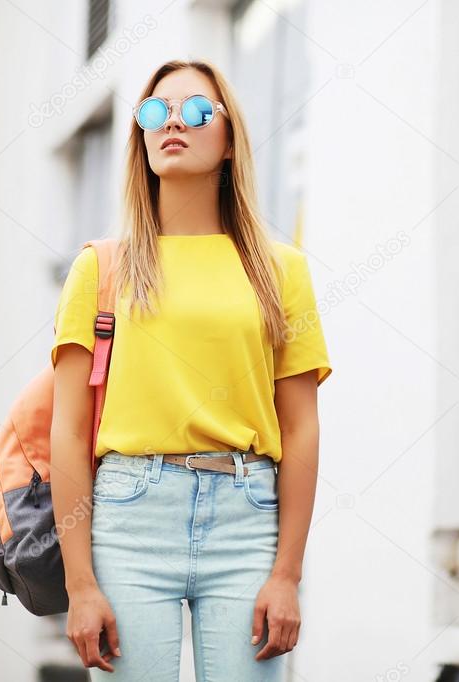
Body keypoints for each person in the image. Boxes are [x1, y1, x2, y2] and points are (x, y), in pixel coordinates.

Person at [48, 58, 332, 680]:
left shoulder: (282, 272)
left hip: (248, 516)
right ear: (141, 137)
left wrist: (287, 574)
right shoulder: (101, 268)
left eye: (197, 110)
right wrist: (80, 585)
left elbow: (302, 429)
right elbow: (67, 432)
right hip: (129, 516)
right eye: (156, 111)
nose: (173, 122)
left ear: (230, 142)